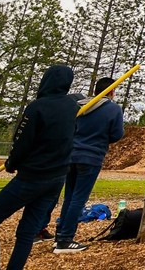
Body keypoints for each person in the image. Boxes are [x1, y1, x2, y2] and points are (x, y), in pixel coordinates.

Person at [0, 65, 78, 270]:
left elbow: (22, 141)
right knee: (27, 233)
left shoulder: (38, 107)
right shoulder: (73, 107)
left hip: (32, 177)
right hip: (57, 178)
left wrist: (12, 163)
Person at [53, 78, 125, 254]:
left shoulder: (81, 106)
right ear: (112, 92)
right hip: (91, 157)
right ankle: (65, 240)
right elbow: (117, 134)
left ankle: (60, 235)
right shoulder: (113, 109)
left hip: (71, 154)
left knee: (69, 196)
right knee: (79, 199)